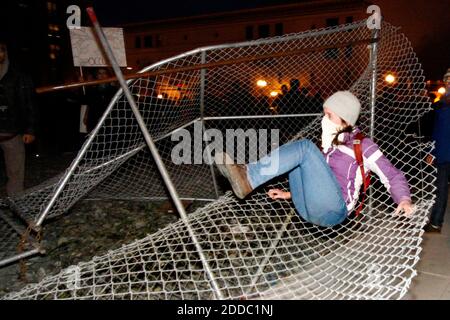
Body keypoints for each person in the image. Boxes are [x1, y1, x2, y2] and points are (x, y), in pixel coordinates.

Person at [215, 91, 414, 227]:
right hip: (307, 208)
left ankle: (249, 177)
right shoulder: (327, 144)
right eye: (324, 114)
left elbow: (393, 175)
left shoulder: (363, 145)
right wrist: (287, 195)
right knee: (298, 154)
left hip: (335, 210)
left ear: (346, 119)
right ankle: (250, 175)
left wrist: (403, 199)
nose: (324, 120)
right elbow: (316, 182)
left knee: (304, 148)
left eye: (330, 115)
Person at [0, 39, 38, 196]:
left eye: (0, 50)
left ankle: (17, 205)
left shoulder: (18, 76)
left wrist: (31, 129)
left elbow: (30, 103)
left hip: (12, 131)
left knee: (15, 172)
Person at [424, 68, 450, 233]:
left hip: (444, 153)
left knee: (441, 188)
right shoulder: (443, 103)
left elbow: (442, 132)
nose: (448, 83)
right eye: (447, 79)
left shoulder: (444, 106)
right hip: (444, 152)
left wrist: (433, 153)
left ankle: (436, 222)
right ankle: (435, 222)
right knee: (441, 189)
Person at [84, 68, 116, 132]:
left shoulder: (113, 89)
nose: (102, 75)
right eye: (99, 73)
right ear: (97, 76)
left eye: (104, 73)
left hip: (108, 120)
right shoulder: (93, 88)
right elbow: (88, 102)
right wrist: (86, 115)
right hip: (94, 119)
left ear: (107, 75)